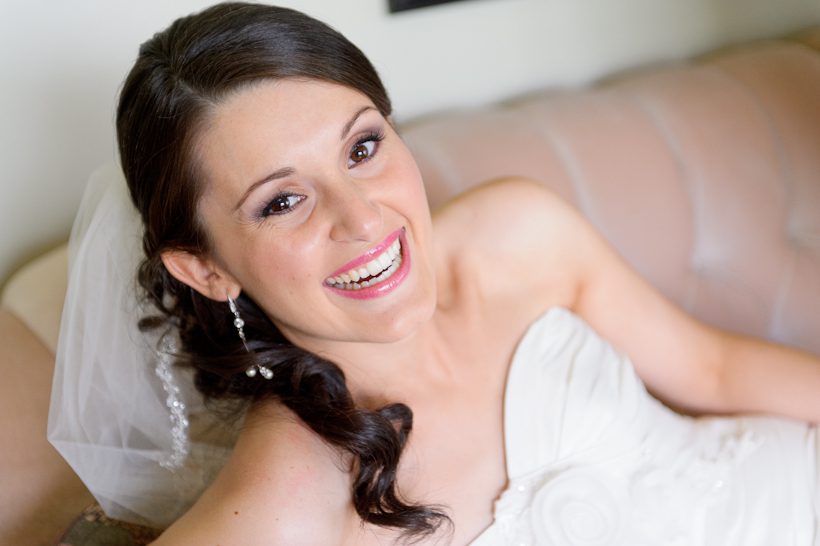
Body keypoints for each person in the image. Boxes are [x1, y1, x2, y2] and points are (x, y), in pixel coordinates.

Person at [49, 2, 820, 545]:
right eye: (283, 201)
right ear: (206, 268)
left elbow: (715, 369)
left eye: (362, 148)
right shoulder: (290, 492)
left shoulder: (515, 235)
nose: (363, 219)